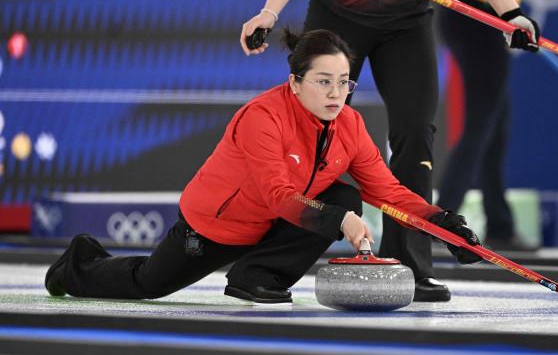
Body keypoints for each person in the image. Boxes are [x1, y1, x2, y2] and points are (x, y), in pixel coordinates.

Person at [45, 29, 482, 305]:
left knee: (345, 194)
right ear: (295, 83)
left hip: (272, 226)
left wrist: (444, 225)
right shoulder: (263, 117)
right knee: (149, 284)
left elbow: (388, 190)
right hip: (216, 226)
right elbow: (277, 195)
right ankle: (79, 264)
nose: (336, 93)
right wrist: (341, 221)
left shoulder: (349, 123)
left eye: (344, 82)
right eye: (323, 81)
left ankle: (256, 276)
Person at [239, 0, 539, 301]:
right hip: (338, 12)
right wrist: (269, 13)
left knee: (416, 133)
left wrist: (511, 14)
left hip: (408, 20)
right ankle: (263, 270)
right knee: (312, 133)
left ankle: (410, 269)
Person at [436, 0, 536, 251]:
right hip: (475, 6)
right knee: (482, 120)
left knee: (496, 119)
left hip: (490, 9)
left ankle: (499, 224)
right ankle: (441, 220)